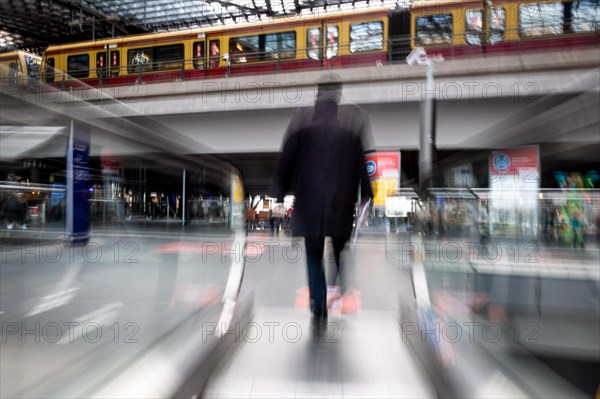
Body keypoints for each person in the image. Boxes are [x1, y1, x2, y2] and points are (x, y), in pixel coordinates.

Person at [273, 72, 373, 331]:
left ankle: (318, 305)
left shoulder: (301, 120)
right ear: (338, 95)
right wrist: (367, 194)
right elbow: (363, 166)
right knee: (339, 249)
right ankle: (340, 281)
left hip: (310, 204)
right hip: (341, 204)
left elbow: (286, 161)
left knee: (313, 254)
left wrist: (279, 194)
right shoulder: (353, 123)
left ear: (317, 93)